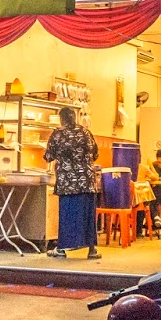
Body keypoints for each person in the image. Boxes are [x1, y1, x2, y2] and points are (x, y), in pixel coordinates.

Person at [44, 106, 100, 260]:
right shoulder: (86, 132)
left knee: (67, 216)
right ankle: (92, 250)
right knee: (88, 216)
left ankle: (62, 249)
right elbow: (95, 153)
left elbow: (48, 156)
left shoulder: (58, 134)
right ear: (74, 117)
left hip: (67, 183)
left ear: (61, 119)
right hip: (87, 181)